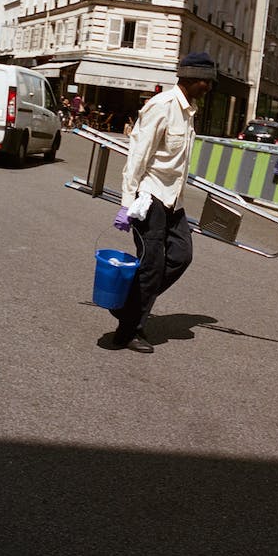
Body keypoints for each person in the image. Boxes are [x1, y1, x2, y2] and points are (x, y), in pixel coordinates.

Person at [109, 51, 216, 353]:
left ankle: (127, 304)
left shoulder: (188, 111)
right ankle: (126, 332)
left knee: (181, 256)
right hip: (150, 196)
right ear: (192, 79)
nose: (208, 88)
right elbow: (137, 157)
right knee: (152, 265)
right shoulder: (161, 107)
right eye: (206, 82)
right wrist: (127, 201)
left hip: (173, 201)